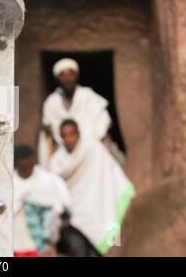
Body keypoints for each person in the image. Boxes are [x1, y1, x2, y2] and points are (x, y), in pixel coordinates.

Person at [49, 119, 135, 255]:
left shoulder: (92, 148)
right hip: (75, 215)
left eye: (71, 134)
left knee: (110, 233)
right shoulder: (57, 162)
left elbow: (108, 174)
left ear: (78, 133)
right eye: (64, 135)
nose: (69, 139)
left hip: (101, 202)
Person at [13, 144, 70, 257]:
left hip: (41, 243)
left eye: (29, 165)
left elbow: (61, 205)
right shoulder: (10, 183)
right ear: (16, 165)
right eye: (22, 166)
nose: (26, 169)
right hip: (16, 242)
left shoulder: (47, 180)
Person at [42, 58, 112, 146]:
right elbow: (49, 125)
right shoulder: (51, 102)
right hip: (64, 147)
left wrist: (91, 141)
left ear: (76, 76)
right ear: (57, 79)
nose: (67, 79)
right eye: (63, 75)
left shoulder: (88, 95)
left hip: (93, 143)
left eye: (70, 74)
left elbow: (104, 120)